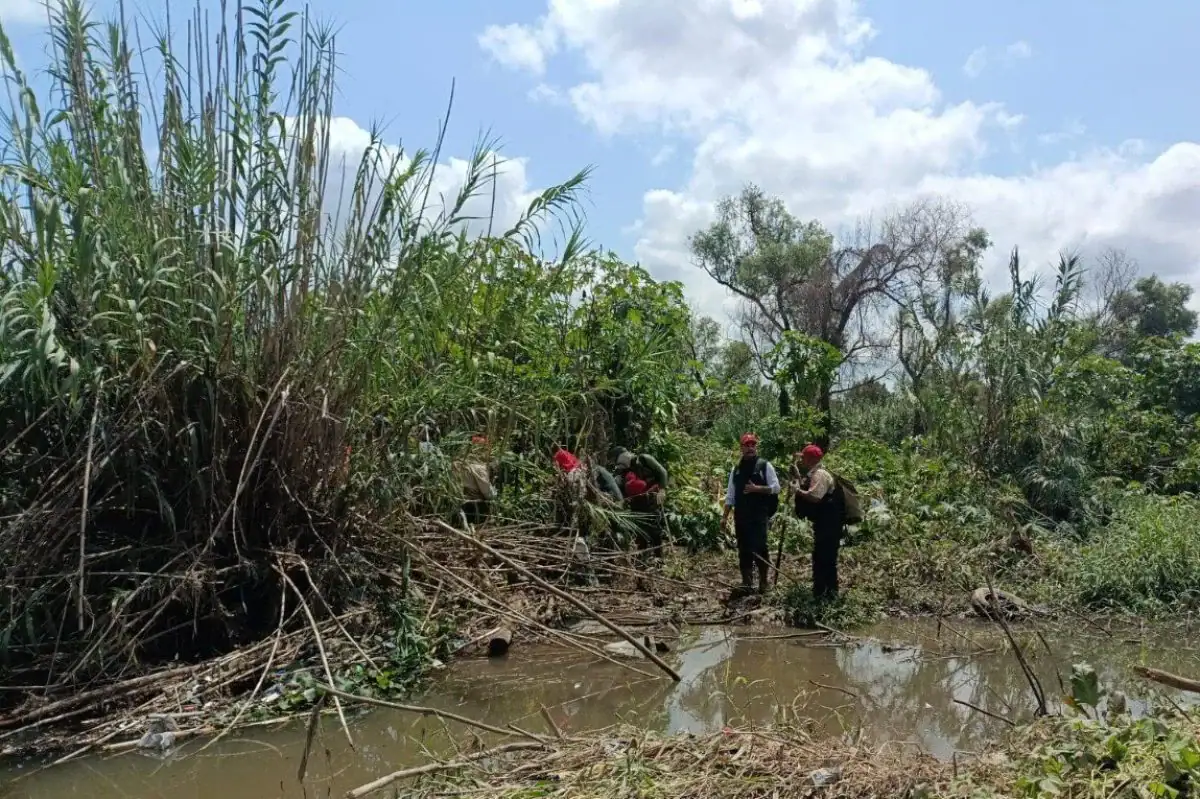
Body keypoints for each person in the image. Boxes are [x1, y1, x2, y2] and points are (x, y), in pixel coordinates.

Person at [720, 433, 781, 595]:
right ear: (741, 448)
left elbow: (776, 487)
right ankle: (747, 583)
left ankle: (763, 583)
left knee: (761, 547)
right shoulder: (736, 469)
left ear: (756, 447)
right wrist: (725, 516)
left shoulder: (764, 466)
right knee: (743, 549)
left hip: (759, 515)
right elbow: (730, 495)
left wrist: (757, 489)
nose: (750, 448)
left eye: (753, 445)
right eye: (747, 445)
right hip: (741, 515)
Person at [792, 443, 843, 601]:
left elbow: (815, 497)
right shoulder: (815, 473)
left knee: (824, 559)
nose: (802, 461)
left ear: (809, 459)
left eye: (804, 458)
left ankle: (826, 595)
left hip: (829, 525)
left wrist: (797, 491)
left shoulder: (820, 474)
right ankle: (823, 593)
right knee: (822, 557)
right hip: (825, 524)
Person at [459, 436, 496, 525]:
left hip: (458, 506)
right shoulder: (478, 467)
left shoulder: (458, 463)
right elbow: (489, 495)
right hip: (474, 509)